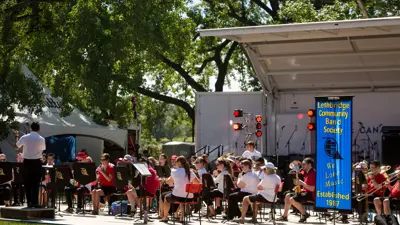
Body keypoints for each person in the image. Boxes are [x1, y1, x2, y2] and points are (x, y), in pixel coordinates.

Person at [14, 122, 46, 208]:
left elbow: (16, 147)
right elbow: (42, 150)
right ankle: (35, 202)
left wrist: (16, 136)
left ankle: (29, 202)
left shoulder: (24, 137)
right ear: (38, 129)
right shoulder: (41, 139)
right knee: (35, 183)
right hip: (36, 162)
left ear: (30, 128)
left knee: (27, 183)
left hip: (27, 162)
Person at [160, 156, 199, 222]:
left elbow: (168, 182)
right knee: (182, 199)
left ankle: (165, 217)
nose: (175, 163)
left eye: (176, 162)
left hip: (177, 196)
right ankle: (181, 217)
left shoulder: (174, 171)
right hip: (189, 197)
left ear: (179, 163)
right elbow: (198, 183)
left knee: (166, 198)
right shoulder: (190, 172)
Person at [278, 158, 316, 223]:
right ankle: (284, 216)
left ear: (309, 165)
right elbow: (298, 171)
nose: (302, 166)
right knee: (287, 196)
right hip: (305, 192)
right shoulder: (307, 172)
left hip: (311, 194)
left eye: (304, 164)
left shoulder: (312, 173)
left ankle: (304, 214)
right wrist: (295, 168)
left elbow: (312, 189)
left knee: (292, 199)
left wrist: (301, 183)